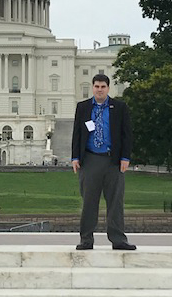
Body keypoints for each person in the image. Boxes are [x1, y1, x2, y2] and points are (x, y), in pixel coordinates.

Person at [71, 74, 136, 251]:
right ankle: (86, 239)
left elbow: (126, 134)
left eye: (103, 87)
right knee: (89, 202)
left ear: (108, 88)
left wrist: (125, 157)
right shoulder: (83, 107)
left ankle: (118, 239)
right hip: (90, 159)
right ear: (92, 88)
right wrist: (75, 157)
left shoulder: (119, 107)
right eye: (97, 86)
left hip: (113, 160)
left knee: (115, 201)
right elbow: (77, 132)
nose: (100, 90)